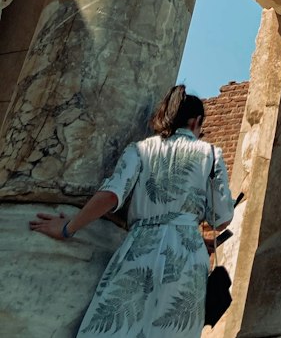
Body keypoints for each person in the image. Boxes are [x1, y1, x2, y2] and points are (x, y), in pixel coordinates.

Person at [30, 84, 234, 337]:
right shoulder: (211, 154)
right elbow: (221, 217)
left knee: (117, 326)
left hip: (140, 248)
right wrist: (185, 228)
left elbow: (111, 194)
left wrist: (67, 228)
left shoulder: (140, 150)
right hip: (187, 257)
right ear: (197, 122)